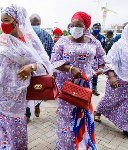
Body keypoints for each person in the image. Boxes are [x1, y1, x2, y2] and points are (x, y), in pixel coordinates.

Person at [0, 4, 52, 149]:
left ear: (17, 21)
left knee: (15, 128)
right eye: (2, 20)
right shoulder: (1, 39)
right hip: (0, 93)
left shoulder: (30, 41)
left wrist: (31, 67)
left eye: (7, 20)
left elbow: (45, 65)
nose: (3, 24)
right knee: (0, 128)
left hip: (18, 95)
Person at [51, 11, 105, 149]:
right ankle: (65, 145)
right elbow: (54, 62)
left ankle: (81, 144)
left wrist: (100, 69)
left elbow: (103, 58)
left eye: (79, 25)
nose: (75, 28)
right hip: (67, 86)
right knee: (66, 116)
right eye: (72, 25)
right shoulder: (63, 41)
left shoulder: (94, 41)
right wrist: (70, 68)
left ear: (86, 26)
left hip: (84, 85)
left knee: (82, 114)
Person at [95, 22, 128, 142]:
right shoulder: (119, 46)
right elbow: (109, 61)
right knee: (110, 100)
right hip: (120, 80)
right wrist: (111, 76)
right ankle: (98, 111)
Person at [28, 13, 54, 119]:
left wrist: (49, 68)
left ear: (40, 23)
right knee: (27, 90)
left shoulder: (47, 36)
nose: (35, 26)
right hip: (28, 68)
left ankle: (37, 105)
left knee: (38, 89)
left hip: (41, 69)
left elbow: (51, 52)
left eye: (37, 24)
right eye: (32, 24)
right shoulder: (24, 34)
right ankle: (28, 112)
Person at [91, 23, 105, 96]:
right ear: (92, 28)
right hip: (89, 58)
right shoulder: (89, 36)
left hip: (96, 59)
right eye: (95, 27)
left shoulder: (102, 37)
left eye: (98, 28)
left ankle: (94, 88)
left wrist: (102, 63)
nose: (97, 29)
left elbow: (103, 49)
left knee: (96, 74)